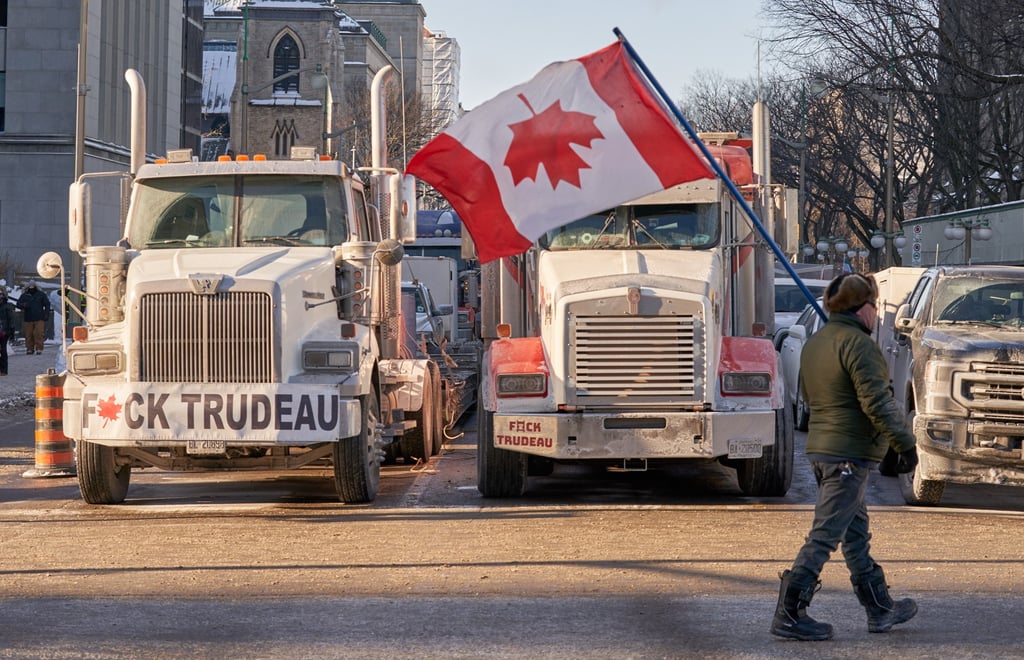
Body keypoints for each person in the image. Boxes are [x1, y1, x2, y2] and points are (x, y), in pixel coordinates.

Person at [770, 272, 919, 641]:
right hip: (847, 455)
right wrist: (904, 444)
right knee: (825, 535)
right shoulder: (859, 346)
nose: (876, 314)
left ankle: (879, 608)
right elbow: (877, 402)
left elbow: (806, 394)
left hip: (823, 449)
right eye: (873, 305)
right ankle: (790, 612)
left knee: (855, 536)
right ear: (860, 308)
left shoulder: (817, 343)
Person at [16, 281, 51, 355]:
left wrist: (46, 313)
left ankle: (39, 348)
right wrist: (23, 305)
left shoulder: (41, 295)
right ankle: (29, 349)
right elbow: (18, 304)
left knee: (38, 334)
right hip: (28, 318)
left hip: (39, 317)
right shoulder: (24, 295)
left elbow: (47, 304)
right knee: (28, 334)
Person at [0, 287, 14, 375]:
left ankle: (4, 370)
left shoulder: (7, 306)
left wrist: (11, 331)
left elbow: (11, 319)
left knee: (3, 350)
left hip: (4, 332)